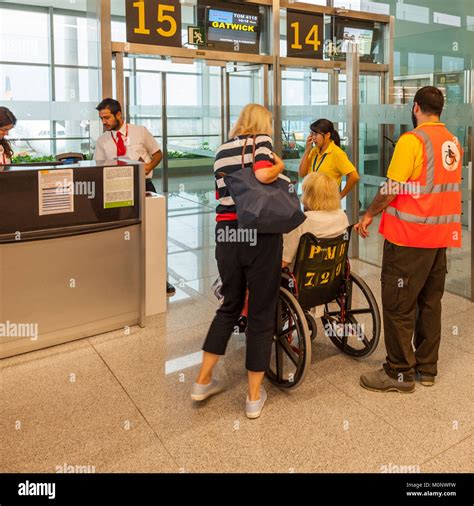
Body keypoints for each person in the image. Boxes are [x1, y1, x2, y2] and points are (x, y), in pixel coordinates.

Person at [355, 86, 462, 393]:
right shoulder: (453, 143)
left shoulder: (413, 141)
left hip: (409, 239)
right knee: (430, 303)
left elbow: (392, 187)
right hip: (439, 238)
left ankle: (399, 372)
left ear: (416, 108)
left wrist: (369, 213)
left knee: (399, 305)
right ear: (439, 110)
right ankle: (427, 369)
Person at [191, 104, 285, 419]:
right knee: (260, 310)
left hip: (227, 233)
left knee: (230, 304)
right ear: (262, 123)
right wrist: (279, 165)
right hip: (259, 234)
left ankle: (202, 381)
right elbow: (262, 174)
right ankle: (254, 397)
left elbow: (223, 193)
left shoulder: (221, 149)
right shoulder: (262, 142)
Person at [94, 98, 175, 297]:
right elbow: (98, 168)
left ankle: (159, 276)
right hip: (118, 190)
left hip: (144, 185)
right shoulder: (102, 141)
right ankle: (125, 276)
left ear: (119, 114)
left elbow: (157, 153)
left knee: (154, 231)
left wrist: (148, 166)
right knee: (123, 233)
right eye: (101, 118)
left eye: (106, 117)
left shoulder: (140, 131)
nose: (104, 122)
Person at [282, 172, 349, 317]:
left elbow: (285, 260)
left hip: (301, 283)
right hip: (331, 280)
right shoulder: (342, 216)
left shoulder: (301, 220)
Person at [298, 118, 360, 199]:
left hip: (327, 203)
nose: (313, 137)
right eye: (312, 134)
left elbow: (354, 177)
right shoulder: (314, 151)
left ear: (327, 135)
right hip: (310, 199)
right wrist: (307, 151)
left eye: (316, 134)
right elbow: (302, 174)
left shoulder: (337, 153)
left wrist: (340, 196)